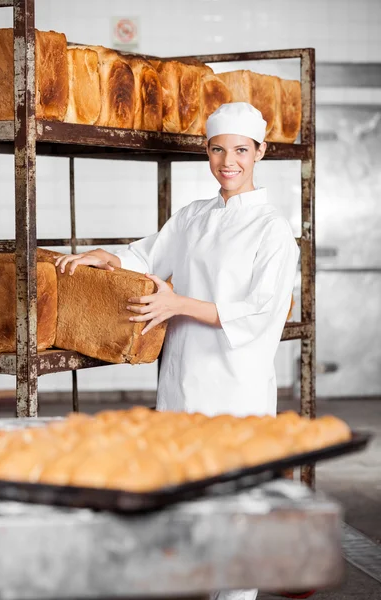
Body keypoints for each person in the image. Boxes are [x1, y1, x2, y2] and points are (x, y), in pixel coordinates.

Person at [56, 102, 300, 600]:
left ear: (260, 153)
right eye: (216, 149)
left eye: (239, 150)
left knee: (231, 504)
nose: (227, 161)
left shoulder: (273, 229)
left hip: (235, 384)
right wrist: (110, 255)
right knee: (186, 502)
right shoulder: (194, 215)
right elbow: (147, 255)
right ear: (206, 152)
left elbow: (259, 313)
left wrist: (176, 303)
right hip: (181, 380)